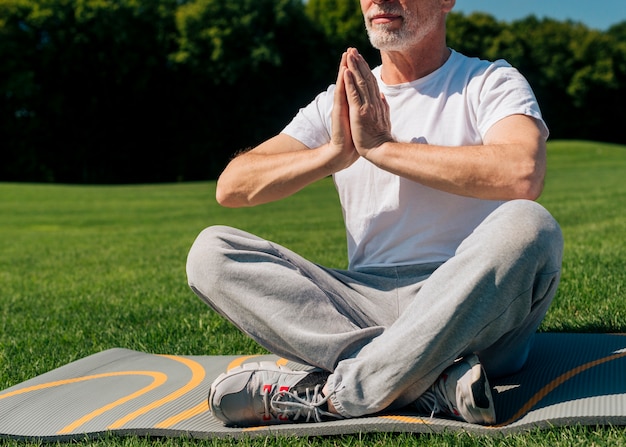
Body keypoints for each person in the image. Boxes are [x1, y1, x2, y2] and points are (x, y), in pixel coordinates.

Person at [186, 0, 563, 427]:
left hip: (470, 302)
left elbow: (522, 173)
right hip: (362, 302)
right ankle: (428, 380)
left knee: (531, 226)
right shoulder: (341, 101)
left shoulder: (489, 81)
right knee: (210, 252)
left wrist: (383, 149)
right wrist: (331, 154)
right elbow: (233, 186)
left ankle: (339, 394)